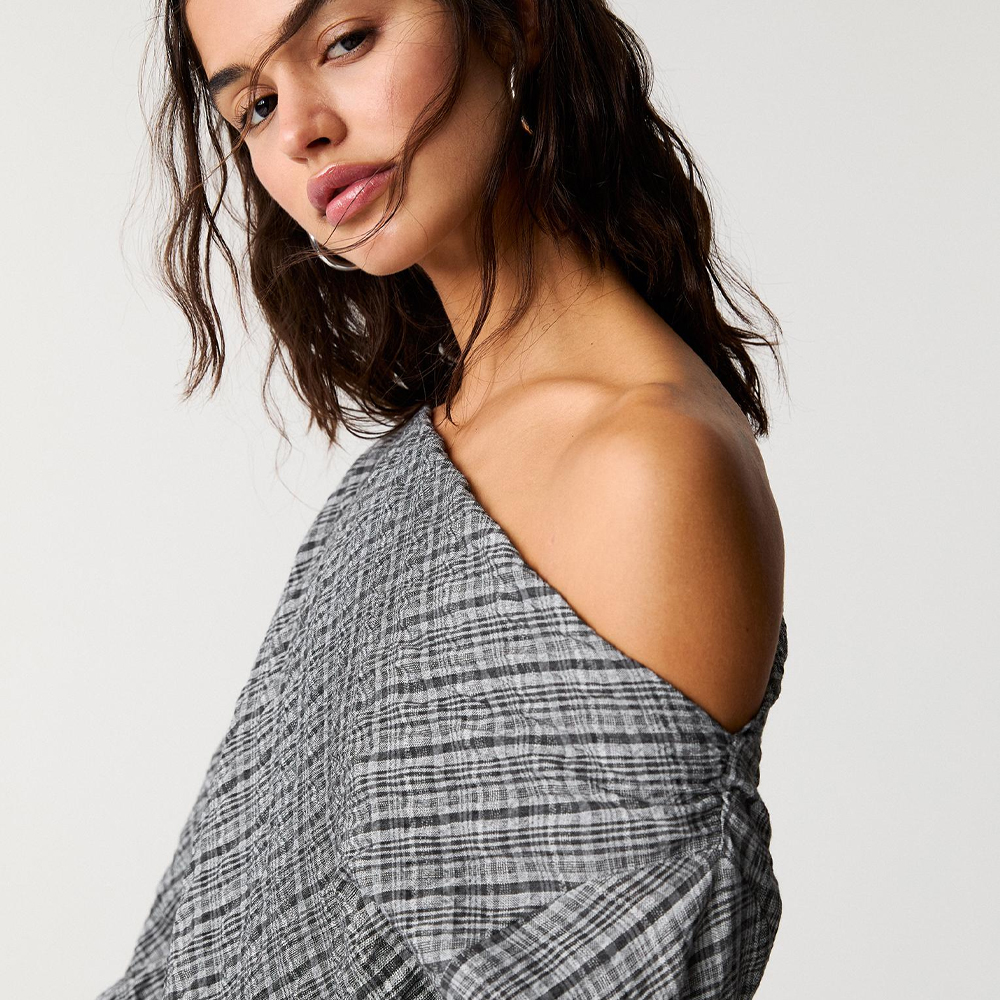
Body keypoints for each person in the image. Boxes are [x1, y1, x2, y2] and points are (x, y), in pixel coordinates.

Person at [98, 0, 789, 996]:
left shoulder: (644, 464)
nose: (300, 132)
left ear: (514, 21)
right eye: (254, 105)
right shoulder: (416, 460)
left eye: (345, 41)